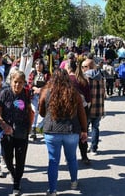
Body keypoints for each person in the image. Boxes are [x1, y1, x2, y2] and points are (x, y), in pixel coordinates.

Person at [39, 68, 88, 196]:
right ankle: (74, 182)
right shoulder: (74, 93)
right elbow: (82, 114)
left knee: (53, 161)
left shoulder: (46, 92)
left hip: (51, 131)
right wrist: (84, 130)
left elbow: (41, 111)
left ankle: (53, 190)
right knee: (71, 158)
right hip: (71, 131)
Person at [0, 70, 33, 196]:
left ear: (24, 83)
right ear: (11, 81)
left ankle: (17, 183)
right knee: (7, 158)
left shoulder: (26, 93)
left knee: (20, 159)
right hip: (7, 132)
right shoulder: (4, 94)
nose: (17, 85)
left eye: (20, 82)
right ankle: (12, 172)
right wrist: (3, 124)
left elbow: (30, 111)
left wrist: (30, 127)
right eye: (15, 82)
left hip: (22, 131)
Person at [65, 60, 91, 165]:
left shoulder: (66, 80)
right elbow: (88, 98)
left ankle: (69, 157)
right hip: (83, 110)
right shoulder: (83, 79)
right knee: (83, 132)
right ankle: (84, 156)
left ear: (68, 68)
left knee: (69, 134)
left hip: (68, 111)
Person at [82, 58, 105, 155]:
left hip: (88, 108)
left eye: (83, 67)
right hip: (99, 107)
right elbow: (104, 93)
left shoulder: (85, 78)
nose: (82, 69)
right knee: (95, 127)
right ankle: (94, 148)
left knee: (85, 128)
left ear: (88, 67)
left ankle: (85, 148)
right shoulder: (101, 77)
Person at [27, 58, 51, 140]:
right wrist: (35, 89)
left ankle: (41, 127)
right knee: (35, 111)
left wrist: (41, 89)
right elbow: (29, 83)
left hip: (44, 95)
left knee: (45, 112)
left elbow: (49, 84)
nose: (38, 66)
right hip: (34, 95)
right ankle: (33, 129)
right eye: (37, 64)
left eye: (40, 64)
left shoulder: (46, 74)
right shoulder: (33, 73)